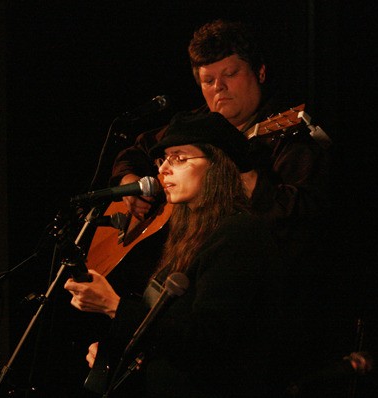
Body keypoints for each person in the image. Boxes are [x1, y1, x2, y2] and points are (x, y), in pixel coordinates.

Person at [65, 18, 336, 395]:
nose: (219, 89)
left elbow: (306, 216)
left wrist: (242, 171)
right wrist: (132, 186)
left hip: (271, 321)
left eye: (230, 75)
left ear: (259, 72)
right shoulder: (196, 127)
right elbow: (137, 150)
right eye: (209, 81)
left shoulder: (284, 142)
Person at [78, 111, 287, 397]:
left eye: (179, 158)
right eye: (163, 159)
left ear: (217, 166)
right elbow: (169, 329)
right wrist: (119, 349)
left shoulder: (239, 234)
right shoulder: (188, 236)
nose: (163, 169)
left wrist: (115, 306)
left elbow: (205, 341)